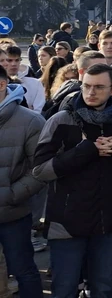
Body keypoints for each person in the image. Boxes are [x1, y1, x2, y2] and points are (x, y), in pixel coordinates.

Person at [32, 64, 112, 296]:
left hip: (109, 222)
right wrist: (86, 151)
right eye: (87, 86)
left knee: (103, 288)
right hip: (67, 222)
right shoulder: (60, 120)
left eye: (99, 87)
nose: (91, 92)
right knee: (65, 288)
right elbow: (41, 171)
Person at [0, 66, 45, 298]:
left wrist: (10, 195)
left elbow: (40, 170)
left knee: (23, 270)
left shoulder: (30, 121)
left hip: (12, 214)